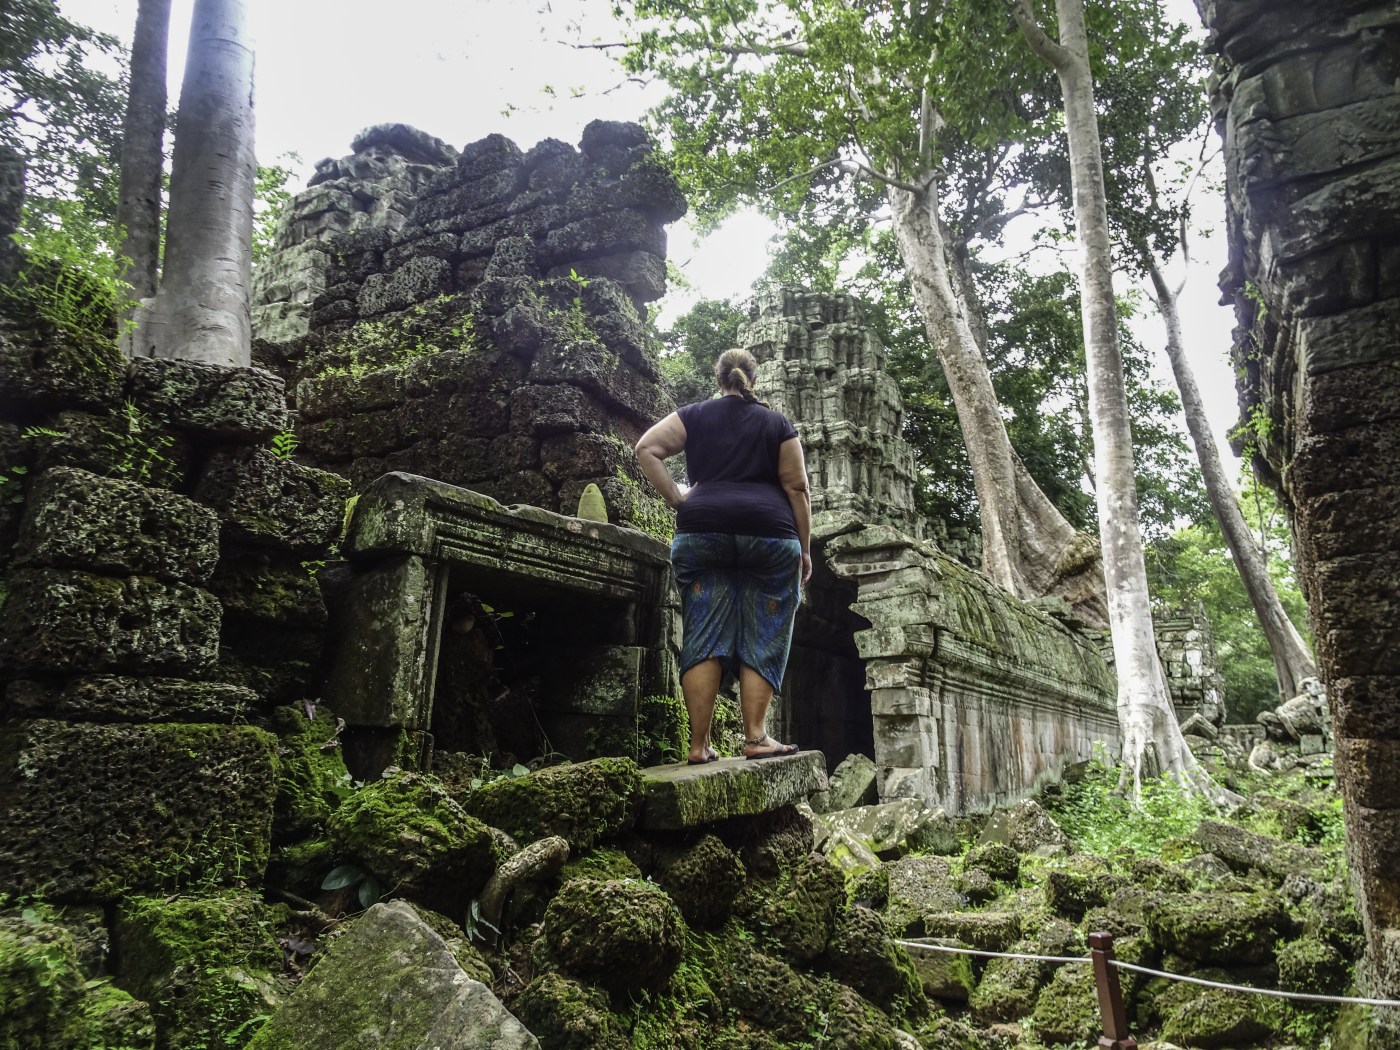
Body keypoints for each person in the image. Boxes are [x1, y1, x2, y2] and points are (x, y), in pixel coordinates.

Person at [635, 348, 812, 764]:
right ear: (753, 378)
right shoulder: (776, 423)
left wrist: (679, 499)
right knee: (765, 631)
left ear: (718, 379)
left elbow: (646, 448)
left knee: (703, 633)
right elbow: (798, 488)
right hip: (770, 537)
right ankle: (755, 737)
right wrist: (805, 549)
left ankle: (698, 746)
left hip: (702, 534)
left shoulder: (694, 416)